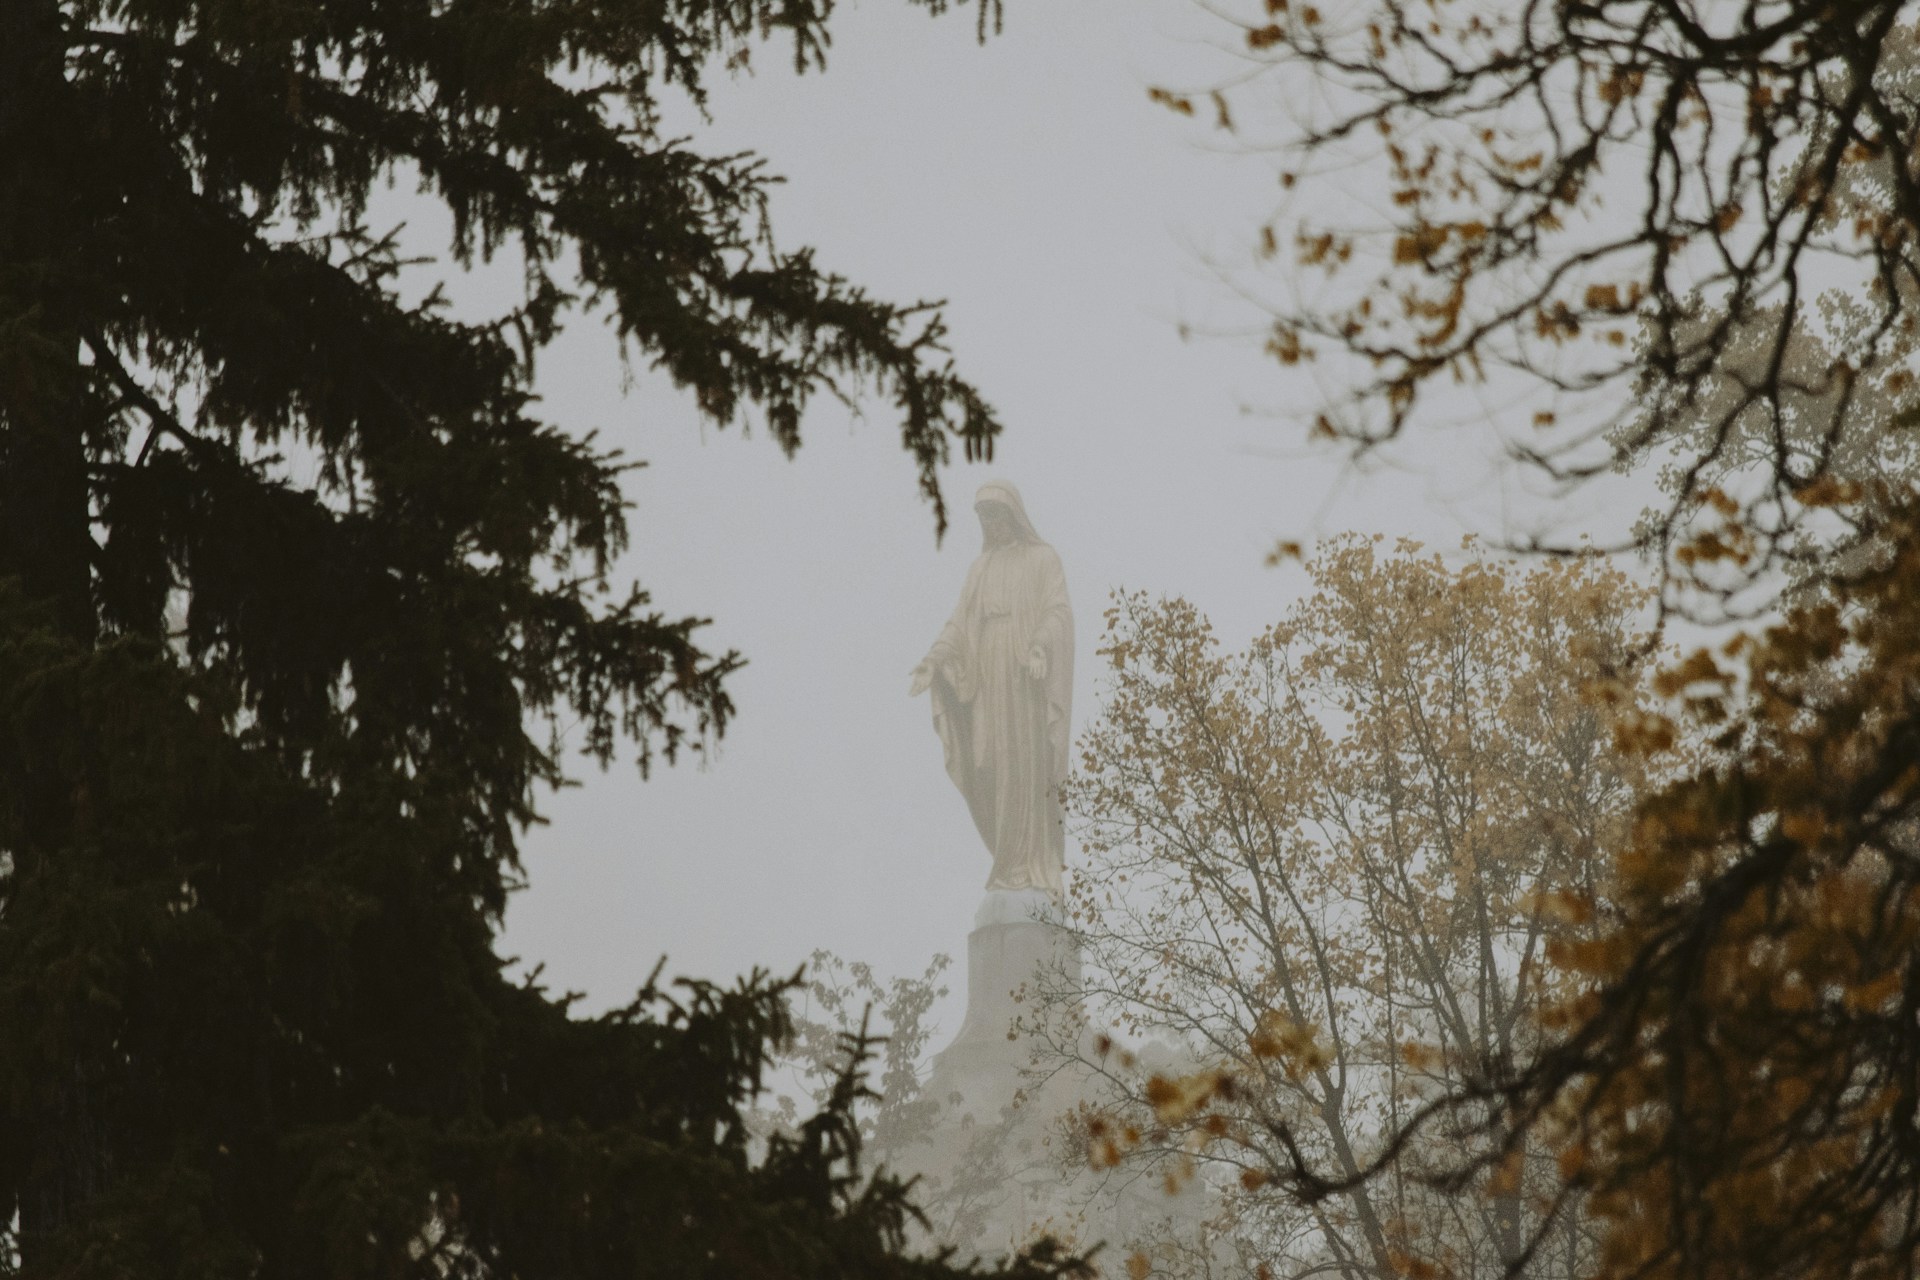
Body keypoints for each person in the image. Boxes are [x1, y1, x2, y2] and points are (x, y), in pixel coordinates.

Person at [910, 481, 1073, 897]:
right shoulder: (980, 568)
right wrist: (934, 658)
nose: (991, 524)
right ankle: (1007, 861)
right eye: (984, 517)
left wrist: (1039, 645)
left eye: (996, 515)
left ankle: (1030, 864)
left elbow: (1057, 610)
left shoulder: (1042, 558)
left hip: (1023, 678)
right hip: (987, 676)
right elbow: (959, 623)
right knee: (988, 765)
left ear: (1014, 515)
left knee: (1023, 765)